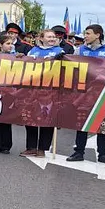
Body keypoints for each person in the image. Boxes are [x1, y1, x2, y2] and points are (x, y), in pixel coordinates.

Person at [67, 24, 105, 164]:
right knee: (82, 122)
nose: (85, 36)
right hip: (83, 92)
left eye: (88, 33)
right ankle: (79, 151)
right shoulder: (80, 50)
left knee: (102, 124)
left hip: (102, 93)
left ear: (98, 35)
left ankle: (103, 153)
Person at [20, 29, 64, 157]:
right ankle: (31, 147)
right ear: (41, 38)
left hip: (50, 90)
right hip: (33, 90)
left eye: (53, 37)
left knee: (47, 119)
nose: (52, 39)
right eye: (49, 36)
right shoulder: (33, 51)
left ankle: (42, 148)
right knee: (31, 118)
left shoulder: (59, 51)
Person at [0, 34, 18, 153]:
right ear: (1, 45)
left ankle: (6, 145)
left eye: (12, 44)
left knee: (6, 118)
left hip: (9, 91)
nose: (10, 46)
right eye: (8, 44)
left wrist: (20, 58)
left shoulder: (15, 57)